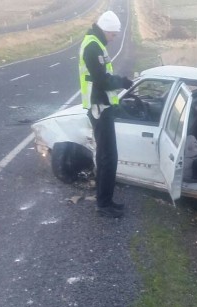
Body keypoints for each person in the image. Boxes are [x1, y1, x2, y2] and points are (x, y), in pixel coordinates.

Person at [79, 11, 133, 218]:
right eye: (113, 35)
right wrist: (123, 81)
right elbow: (103, 80)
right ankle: (103, 204)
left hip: (103, 107)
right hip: (99, 109)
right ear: (106, 30)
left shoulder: (95, 43)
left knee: (107, 157)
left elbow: (102, 79)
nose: (114, 38)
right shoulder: (93, 46)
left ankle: (106, 200)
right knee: (108, 158)